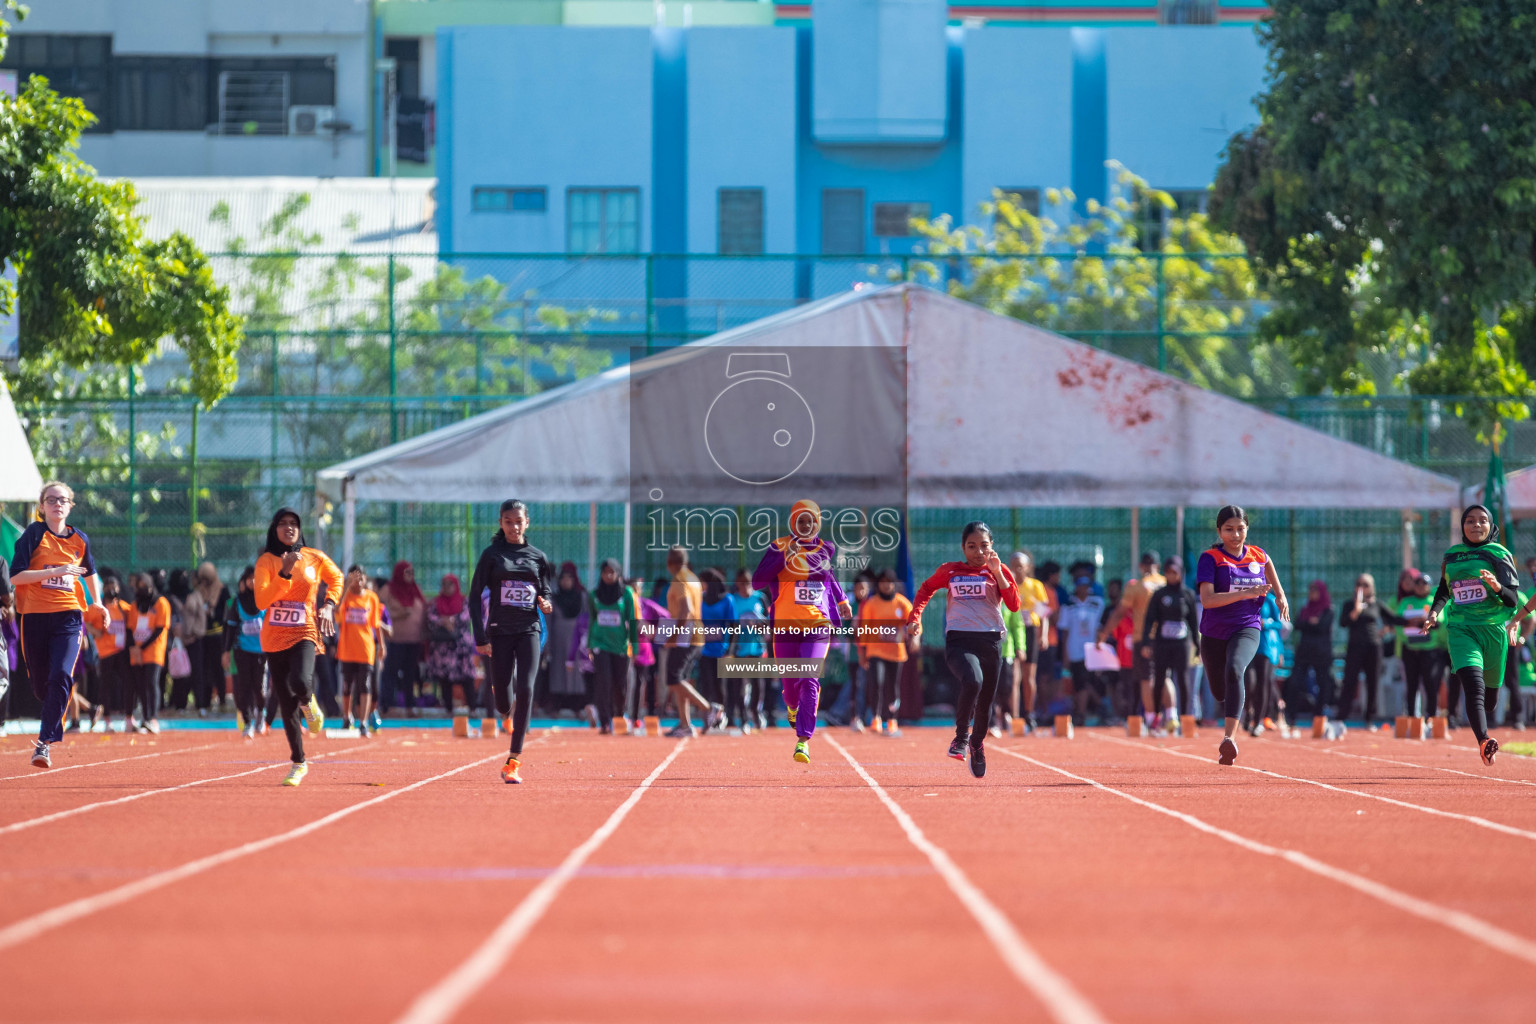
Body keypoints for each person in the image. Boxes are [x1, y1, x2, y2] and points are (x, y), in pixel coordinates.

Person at [906, 521, 1020, 778]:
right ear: (963, 547)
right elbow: (926, 589)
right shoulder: (950, 571)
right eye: (972, 546)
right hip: (959, 640)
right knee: (973, 680)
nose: (978, 551)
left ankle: (977, 745)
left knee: (986, 703)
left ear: (992, 547)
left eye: (984, 546)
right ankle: (960, 738)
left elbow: (1013, 605)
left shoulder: (998, 571)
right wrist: (915, 618)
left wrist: (998, 573)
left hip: (991, 642)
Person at [753, 500, 852, 764]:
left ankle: (803, 740)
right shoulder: (778, 546)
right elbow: (758, 580)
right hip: (785, 627)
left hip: (817, 626)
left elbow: (828, 577)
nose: (806, 525)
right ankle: (793, 706)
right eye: (801, 521)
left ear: (817, 522)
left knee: (809, 678)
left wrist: (841, 600)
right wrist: (785, 555)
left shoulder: (825, 548)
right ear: (793, 523)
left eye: (810, 521)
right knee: (790, 689)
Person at [14, 482, 104, 767]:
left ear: (70, 505)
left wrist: (97, 602)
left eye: (62, 500)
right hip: (36, 617)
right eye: (51, 500)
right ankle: (51, 714)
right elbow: (16, 577)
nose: (57, 504)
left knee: (62, 677)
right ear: (42, 506)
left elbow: (89, 571)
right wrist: (56, 571)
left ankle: (43, 744)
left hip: (69, 618)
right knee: (42, 688)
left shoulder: (80, 539)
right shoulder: (34, 534)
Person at [469, 499, 555, 784]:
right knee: (503, 703)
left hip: (529, 629)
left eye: (519, 521)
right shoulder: (492, 555)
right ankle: (504, 704)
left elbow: (545, 591)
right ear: (501, 523)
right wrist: (480, 637)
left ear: (527, 522)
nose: (514, 527)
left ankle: (513, 760)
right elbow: (473, 597)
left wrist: (545, 603)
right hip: (499, 631)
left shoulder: (538, 557)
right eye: (508, 521)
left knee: (526, 688)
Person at [255, 507, 342, 786]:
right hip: (274, 639)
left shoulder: (314, 557)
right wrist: (284, 573)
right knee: (285, 702)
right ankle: (298, 762)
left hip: (304, 631)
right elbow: (261, 602)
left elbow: (337, 578)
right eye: (283, 523)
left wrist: (329, 605)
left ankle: (309, 701)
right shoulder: (266, 562)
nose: (289, 528)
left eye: (294, 523)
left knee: (301, 680)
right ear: (274, 529)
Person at [1196, 504, 1289, 766]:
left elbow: (1267, 562)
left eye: (1240, 529)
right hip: (1214, 632)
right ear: (1219, 531)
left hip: (1247, 626)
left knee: (1236, 669)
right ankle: (1231, 703)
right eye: (1229, 530)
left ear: (1247, 529)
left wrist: (1281, 596)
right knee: (1218, 690)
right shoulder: (1211, 558)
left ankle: (1229, 739)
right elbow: (1207, 600)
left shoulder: (1257, 555)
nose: (1235, 535)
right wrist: (1246, 593)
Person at [1427, 504, 1520, 765]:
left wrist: (1496, 585)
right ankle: (1484, 741)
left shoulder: (1499, 554)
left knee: (1489, 700)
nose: (1476, 525)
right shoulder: (1453, 555)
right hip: (1461, 628)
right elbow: (1443, 590)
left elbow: (1512, 600)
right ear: (1462, 526)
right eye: (1470, 520)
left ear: (1491, 526)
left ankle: (1484, 725)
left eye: (1482, 521)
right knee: (1474, 687)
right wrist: (1434, 613)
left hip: (1493, 631)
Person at [1100, 551, 1166, 722]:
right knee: (1165, 678)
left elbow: (1119, 613)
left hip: (1143, 638)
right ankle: (1172, 715)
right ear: (1158, 566)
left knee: (1146, 680)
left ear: (1141, 566)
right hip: (1165, 638)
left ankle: (1152, 719)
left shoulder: (1137, 587)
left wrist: (1103, 634)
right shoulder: (1166, 584)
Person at [1337, 572, 1407, 728]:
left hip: (1373, 647)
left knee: (1372, 682)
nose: (1361, 587)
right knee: (1349, 681)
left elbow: (1394, 619)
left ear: (1371, 587)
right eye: (1359, 584)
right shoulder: (1349, 604)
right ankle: (1341, 718)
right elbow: (1342, 623)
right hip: (1354, 647)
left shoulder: (1377, 604)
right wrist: (1355, 610)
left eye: (1365, 584)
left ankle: (1368, 718)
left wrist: (1416, 621)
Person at [1140, 555, 1200, 732]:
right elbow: (1149, 620)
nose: (1172, 575)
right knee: (1159, 679)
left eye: (1175, 572)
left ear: (1181, 573)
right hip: (1162, 644)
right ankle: (1157, 718)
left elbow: (1193, 622)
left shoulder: (1187, 594)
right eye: (1168, 572)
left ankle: (1185, 718)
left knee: (1183, 680)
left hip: (1181, 645)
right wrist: (1146, 642)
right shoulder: (1159, 594)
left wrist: (1197, 645)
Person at [579, 559, 637, 736]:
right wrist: (590, 644)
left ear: (618, 573)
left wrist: (634, 645)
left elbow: (633, 621)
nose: (609, 576)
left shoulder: (627, 593)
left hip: (620, 645)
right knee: (603, 683)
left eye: (612, 572)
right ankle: (604, 722)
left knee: (620, 684)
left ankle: (619, 717)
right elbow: (592, 620)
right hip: (599, 644)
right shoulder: (594, 595)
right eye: (605, 572)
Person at [663, 545, 717, 738]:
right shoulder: (693, 578)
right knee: (681, 680)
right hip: (696, 635)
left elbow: (685, 610)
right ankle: (685, 724)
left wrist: (673, 635)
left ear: (670, 563)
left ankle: (708, 707)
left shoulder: (679, 579)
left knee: (673, 679)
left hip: (685, 637)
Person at [856, 568, 913, 737]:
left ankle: (892, 719)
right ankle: (876, 718)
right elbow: (864, 628)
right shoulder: (871, 603)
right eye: (882, 582)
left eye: (889, 582)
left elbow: (914, 621)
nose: (886, 585)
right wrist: (862, 650)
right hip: (875, 651)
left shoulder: (902, 603)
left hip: (896, 652)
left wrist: (915, 636)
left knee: (893, 687)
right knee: (877, 683)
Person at [1003, 551, 1050, 734]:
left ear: (1028, 567)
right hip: (1013, 631)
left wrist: (1043, 635)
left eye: (1020, 566)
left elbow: (1044, 614)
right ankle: (1014, 716)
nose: (1017, 570)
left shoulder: (1036, 586)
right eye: (1013, 566)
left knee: (1029, 676)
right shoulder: (1007, 585)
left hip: (1030, 630)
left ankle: (1029, 713)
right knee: (1014, 676)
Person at [336, 565, 387, 735]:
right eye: (353, 576)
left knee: (364, 685)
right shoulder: (345, 596)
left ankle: (363, 721)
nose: (358, 580)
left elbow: (376, 624)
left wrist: (382, 646)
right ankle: (347, 716)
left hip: (366, 649)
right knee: (347, 686)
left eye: (360, 577)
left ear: (365, 579)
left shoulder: (371, 598)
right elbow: (337, 615)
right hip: (347, 649)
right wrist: (346, 588)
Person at [1395, 569, 1445, 728]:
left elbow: (1439, 623)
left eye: (1425, 583)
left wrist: (1424, 619)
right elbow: (1399, 623)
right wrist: (1408, 639)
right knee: (1411, 685)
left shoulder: (1434, 601)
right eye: (1418, 583)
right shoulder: (1406, 601)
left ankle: (1430, 717)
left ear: (1430, 586)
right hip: (1410, 649)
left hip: (1429, 650)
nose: (1421, 586)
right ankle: (1411, 718)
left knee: (1430, 684)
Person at [223, 566, 268, 739]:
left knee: (259, 688)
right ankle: (248, 722)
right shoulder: (237, 601)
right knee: (243, 687)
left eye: (256, 578)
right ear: (244, 581)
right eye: (249, 578)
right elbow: (231, 628)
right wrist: (226, 651)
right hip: (242, 650)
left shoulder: (266, 600)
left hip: (262, 652)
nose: (253, 582)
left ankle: (260, 713)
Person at [1058, 575, 1108, 726]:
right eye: (1080, 586)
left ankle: (1088, 711)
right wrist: (1065, 655)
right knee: (1080, 682)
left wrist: (1101, 643)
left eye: (1086, 586)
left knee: (1090, 682)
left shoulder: (1097, 603)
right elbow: (1065, 631)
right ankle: (1085, 712)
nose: (1083, 589)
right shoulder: (1068, 605)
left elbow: (1102, 626)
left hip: (1093, 650)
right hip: (1075, 650)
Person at [123, 571, 170, 735]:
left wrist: (141, 647)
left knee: (151, 682)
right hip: (136, 652)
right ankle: (145, 718)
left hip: (153, 651)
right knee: (140, 686)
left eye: (145, 586)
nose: (142, 589)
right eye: (139, 586)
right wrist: (133, 648)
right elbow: (129, 629)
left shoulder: (161, 603)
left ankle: (153, 718)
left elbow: (159, 629)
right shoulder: (135, 605)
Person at [86, 570, 131, 733]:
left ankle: (128, 718)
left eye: (114, 587)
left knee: (127, 684)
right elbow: (84, 621)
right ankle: (107, 720)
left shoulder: (124, 608)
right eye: (108, 587)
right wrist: (93, 631)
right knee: (105, 687)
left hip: (121, 652)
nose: (111, 591)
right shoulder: (98, 609)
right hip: (105, 652)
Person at [380, 561, 427, 715]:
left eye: (412, 572)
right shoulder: (389, 589)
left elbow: (424, 609)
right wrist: (399, 614)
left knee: (410, 675)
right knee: (391, 674)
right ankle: (387, 706)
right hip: (395, 641)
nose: (410, 575)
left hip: (414, 641)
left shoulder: (415, 589)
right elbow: (378, 611)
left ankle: (409, 706)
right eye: (407, 572)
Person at [425, 574, 477, 713]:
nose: (447, 587)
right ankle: (448, 709)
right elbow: (431, 617)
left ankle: (472, 708)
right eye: (444, 584)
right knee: (445, 679)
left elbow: (466, 616)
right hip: (442, 649)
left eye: (450, 584)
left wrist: (449, 621)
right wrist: (445, 622)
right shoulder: (436, 602)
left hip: (461, 648)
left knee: (467, 679)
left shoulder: (464, 601)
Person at [696, 568, 739, 732]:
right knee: (706, 685)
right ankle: (707, 718)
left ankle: (722, 717)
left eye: (702, 581)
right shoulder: (701, 599)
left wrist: (731, 650)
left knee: (720, 686)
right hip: (704, 650)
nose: (700, 585)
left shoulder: (727, 600)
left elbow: (734, 625)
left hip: (722, 650)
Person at [728, 569, 770, 731]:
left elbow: (769, 622)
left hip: (757, 648)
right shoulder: (733, 600)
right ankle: (743, 718)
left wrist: (760, 624)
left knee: (758, 684)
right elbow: (730, 624)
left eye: (747, 583)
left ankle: (756, 712)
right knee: (739, 685)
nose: (745, 587)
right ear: (737, 584)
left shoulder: (760, 598)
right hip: (739, 648)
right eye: (741, 583)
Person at [1286, 581, 1335, 718]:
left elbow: (1322, 627)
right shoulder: (1305, 609)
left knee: (1324, 684)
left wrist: (1308, 624)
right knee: (1295, 682)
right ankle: (1291, 715)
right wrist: (1310, 622)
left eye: (1315, 590)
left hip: (1321, 654)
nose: (1311, 593)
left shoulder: (1328, 610)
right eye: (1310, 590)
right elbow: (1297, 624)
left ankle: (1319, 715)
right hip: (1304, 653)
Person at [1244, 591, 1286, 736]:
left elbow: (1279, 624)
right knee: (1249, 682)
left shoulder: (1271, 600)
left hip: (1266, 648)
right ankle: (1247, 711)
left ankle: (1258, 721)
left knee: (1264, 683)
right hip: (1248, 647)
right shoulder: (1245, 597)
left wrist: (1266, 623)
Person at [628, 577, 665, 733]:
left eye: (638, 587)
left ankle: (642, 717)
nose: (635, 590)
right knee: (627, 685)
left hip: (643, 653)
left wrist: (656, 635)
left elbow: (666, 616)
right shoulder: (622, 604)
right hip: (625, 651)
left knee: (642, 685)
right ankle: (624, 716)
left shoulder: (646, 605)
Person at [194, 563, 231, 712]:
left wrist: (214, 612)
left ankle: (222, 699)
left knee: (218, 668)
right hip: (203, 635)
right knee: (204, 669)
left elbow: (227, 611)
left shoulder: (222, 590)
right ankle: (206, 701)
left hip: (218, 634)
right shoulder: (199, 591)